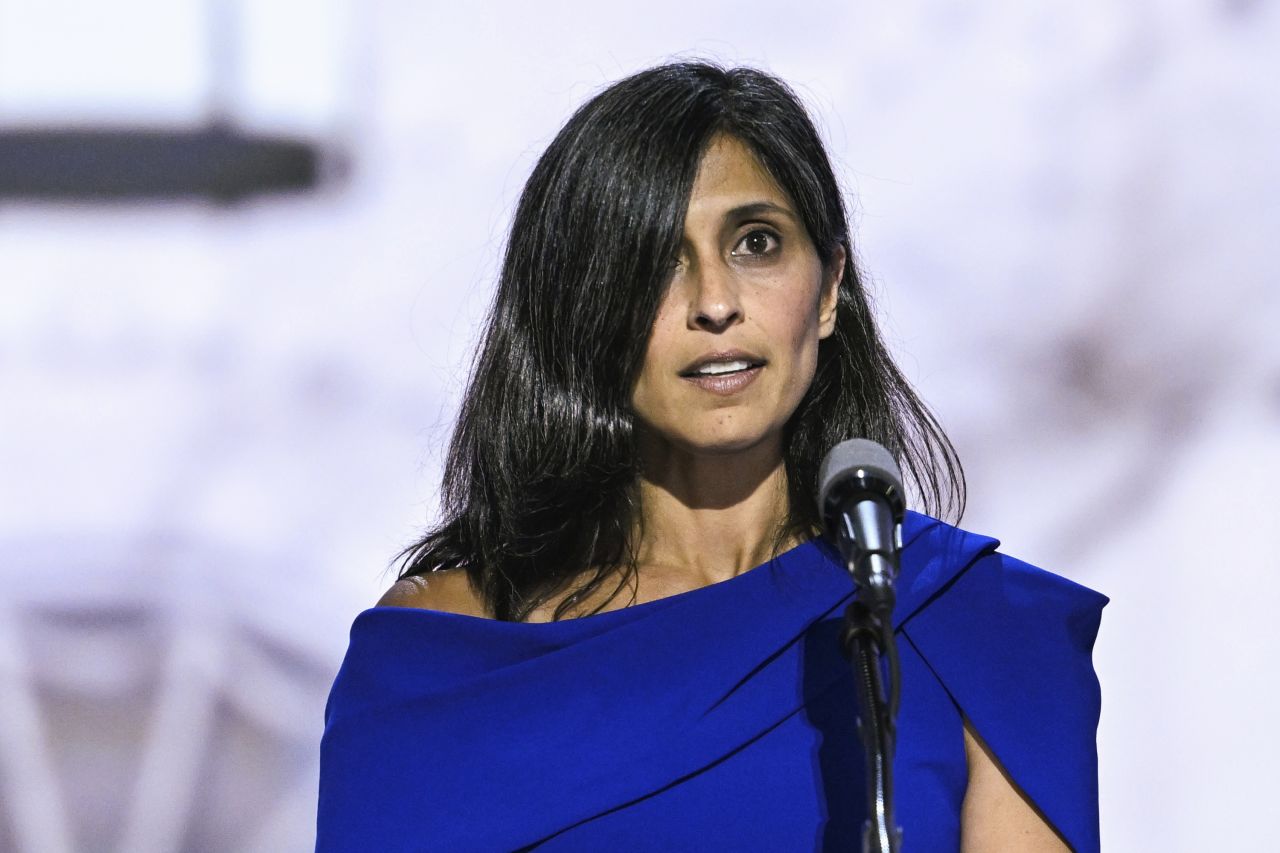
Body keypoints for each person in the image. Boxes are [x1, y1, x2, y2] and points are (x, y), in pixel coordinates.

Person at [317, 62, 1106, 852]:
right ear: (583, 307)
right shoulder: (448, 655)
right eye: (658, 259)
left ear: (829, 285)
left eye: (757, 243)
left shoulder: (977, 628)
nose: (715, 301)